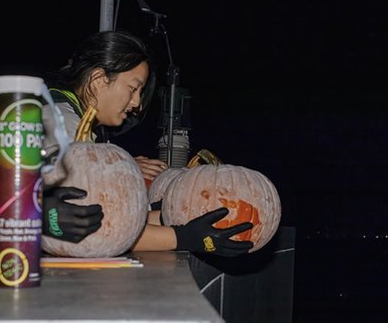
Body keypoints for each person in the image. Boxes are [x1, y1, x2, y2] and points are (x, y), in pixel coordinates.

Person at [41, 30, 254, 256]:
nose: (137, 103)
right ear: (98, 80)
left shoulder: (82, 123)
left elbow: (108, 215)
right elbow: (97, 231)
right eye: (133, 89)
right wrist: (184, 237)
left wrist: (175, 210)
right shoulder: (59, 123)